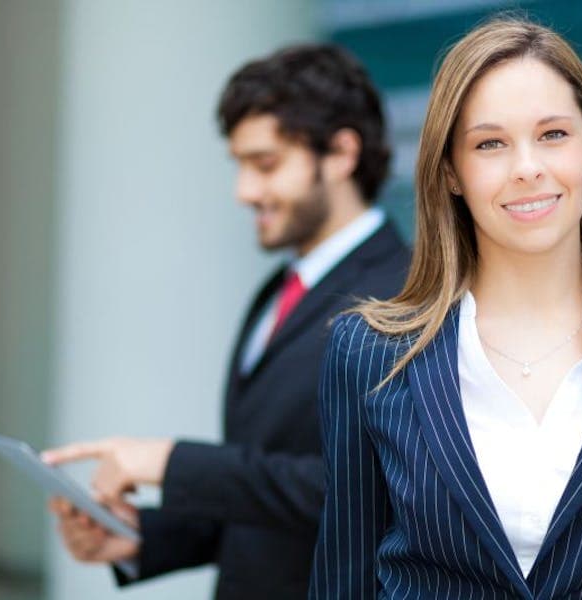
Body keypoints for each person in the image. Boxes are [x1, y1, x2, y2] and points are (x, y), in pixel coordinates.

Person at [309, 18, 582, 599]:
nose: (527, 167)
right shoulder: (370, 355)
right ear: (451, 171)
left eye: (553, 135)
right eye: (490, 143)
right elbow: (341, 585)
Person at [44, 43, 410, 599]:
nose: (244, 192)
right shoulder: (276, 291)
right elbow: (263, 498)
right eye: (239, 165)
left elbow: (375, 495)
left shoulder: (407, 295)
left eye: (265, 164)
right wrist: (140, 537)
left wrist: (172, 463)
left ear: (340, 153)